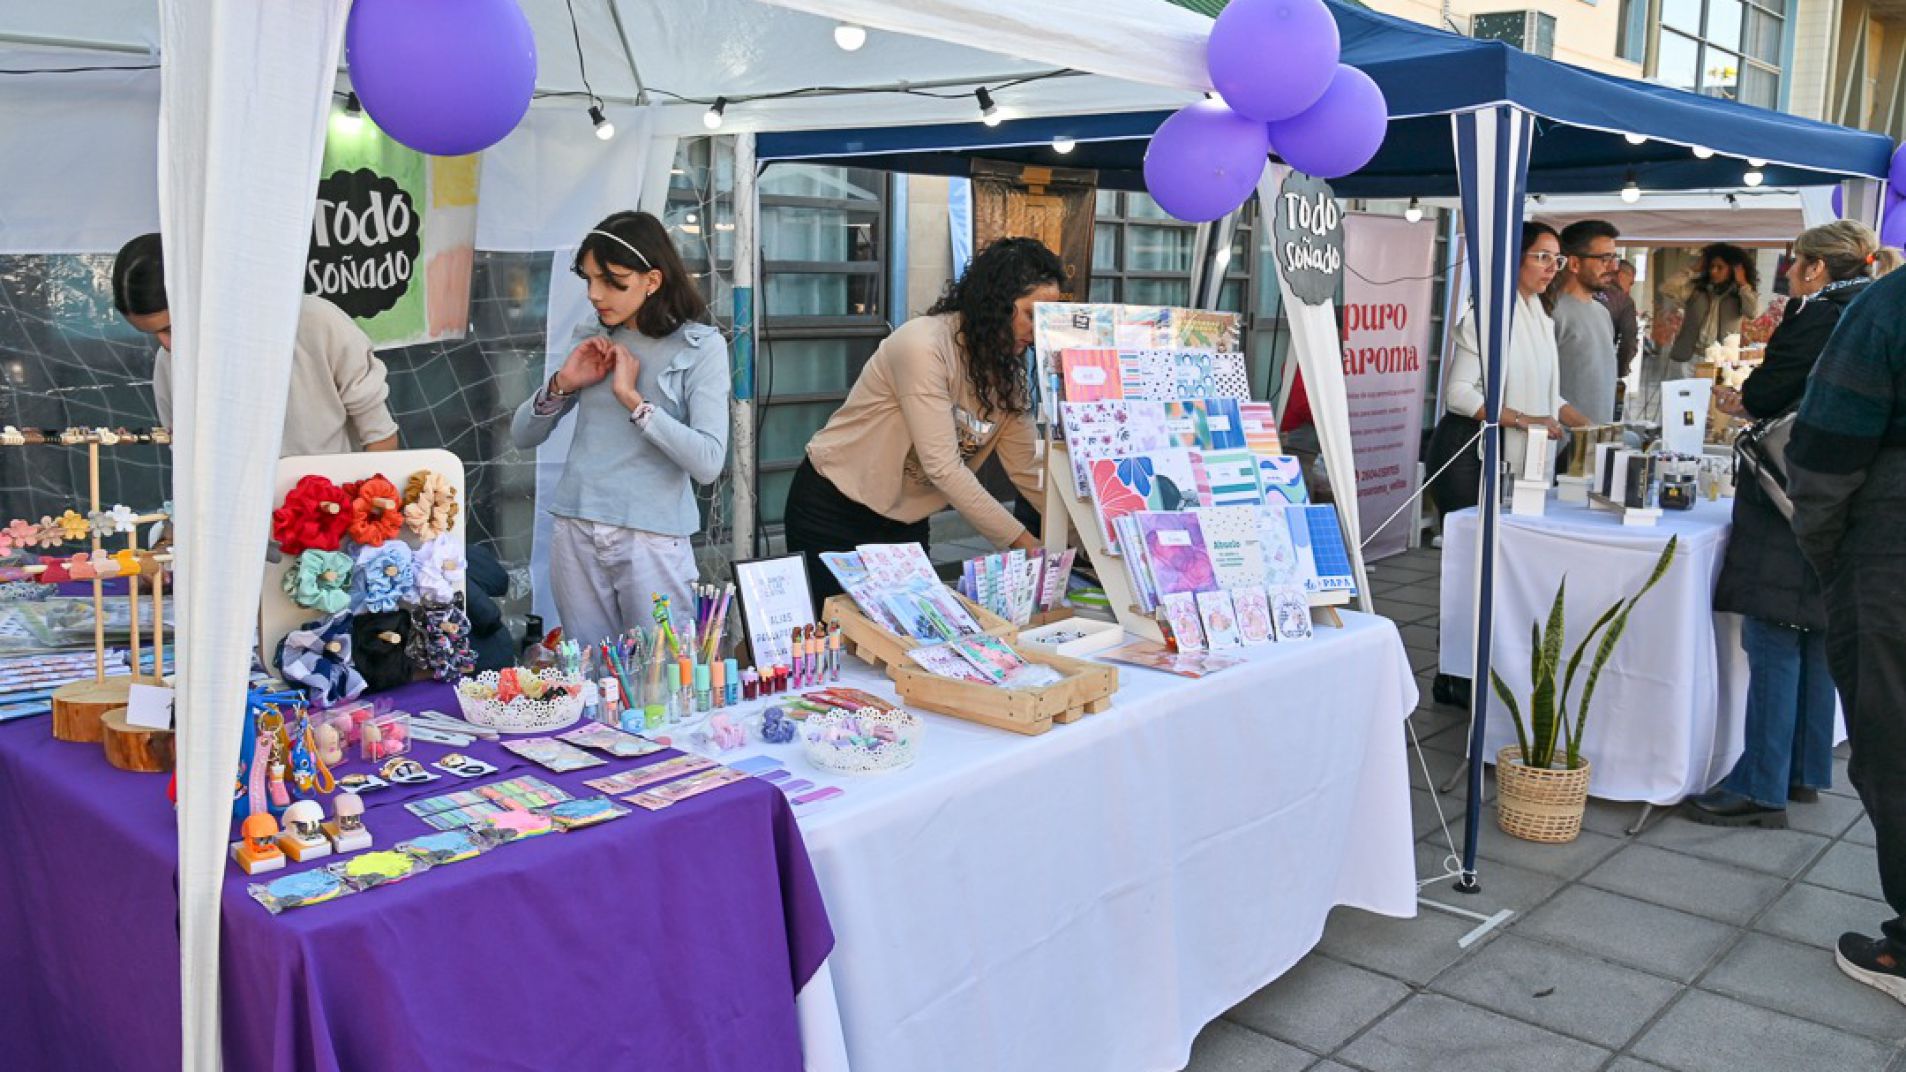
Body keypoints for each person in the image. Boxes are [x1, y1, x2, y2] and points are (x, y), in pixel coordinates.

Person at [1689, 221, 1897, 828]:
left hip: (1795, 491)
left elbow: (1770, 393)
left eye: (1796, 260)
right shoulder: (1871, 308)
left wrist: (1745, 401)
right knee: (1813, 631)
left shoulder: (1819, 316)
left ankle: (1761, 784)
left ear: (1816, 267)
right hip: (1848, 496)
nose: (1789, 270)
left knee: (1775, 630)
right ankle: (1804, 769)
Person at [785, 237, 1058, 604]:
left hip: (906, 523)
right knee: (838, 633)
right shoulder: (923, 346)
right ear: (997, 301)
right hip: (834, 509)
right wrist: (1023, 541)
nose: (1039, 331)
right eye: (1032, 314)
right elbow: (943, 467)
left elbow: (1028, 469)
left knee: (914, 632)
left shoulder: (1009, 376)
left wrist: (1088, 538)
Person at [510, 211, 729, 649]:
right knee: (591, 672)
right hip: (575, 525)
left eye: (613, 281)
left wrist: (634, 401)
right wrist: (562, 384)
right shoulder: (591, 335)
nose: (595, 294)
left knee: (664, 675)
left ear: (652, 280)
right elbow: (523, 436)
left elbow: (708, 463)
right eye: (590, 279)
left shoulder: (701, 346)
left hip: (652, 535)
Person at [1784, 238, 1906, 1004]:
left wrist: (1832, 557)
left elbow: (1824, 455)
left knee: (1895, 750)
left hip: (1890, 554)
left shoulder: (1887, 307)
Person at [112, 233, 399, 456]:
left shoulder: (316, 323)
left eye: (172, 328)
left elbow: (380, 437)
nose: (167, 345)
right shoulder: (170, 365)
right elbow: (189, 460)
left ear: (203, 296)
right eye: (153, 334)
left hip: (337, 507)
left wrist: (362, 511)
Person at [1426, 222, 1591, 518]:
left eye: (1557, 259)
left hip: (1504, 447)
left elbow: (1542, 390)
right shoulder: (1488, 317)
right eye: (1542, 257)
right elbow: (1458, 394)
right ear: (1515, 258)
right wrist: (1523, 420)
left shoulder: (1539, 317)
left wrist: (1584, 424)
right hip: (1470, 450)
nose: (1552, 268)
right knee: (1472, 541)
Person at [1551, 220, 1622, 425]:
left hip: (1598, 437)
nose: (1613, 267)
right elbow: (1534, 383)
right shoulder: (1552, 312)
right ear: (1574, 264)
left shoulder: (1603, 312)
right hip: (1560, 439)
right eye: (1605, 259)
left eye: (1615, 258)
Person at [1667, 242, 1759, 366]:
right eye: (1711, 266)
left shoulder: (1740, 294)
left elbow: (1752, 313)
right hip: (1692, 357)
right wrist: (1693, 269)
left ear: (1732, 270)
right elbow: (1669, 290)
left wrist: (1743, 284)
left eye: (1720, 267)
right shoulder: (1697, 290)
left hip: (1721, 360)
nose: (1713, 271)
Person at [1603, 259, 1641, 414]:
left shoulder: (1585, 292)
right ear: (1621, 275)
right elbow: (1629, 341)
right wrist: (1620, 369)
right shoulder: (1624, 301)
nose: (1629, 289)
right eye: (1630, 283)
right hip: (1604, 366)